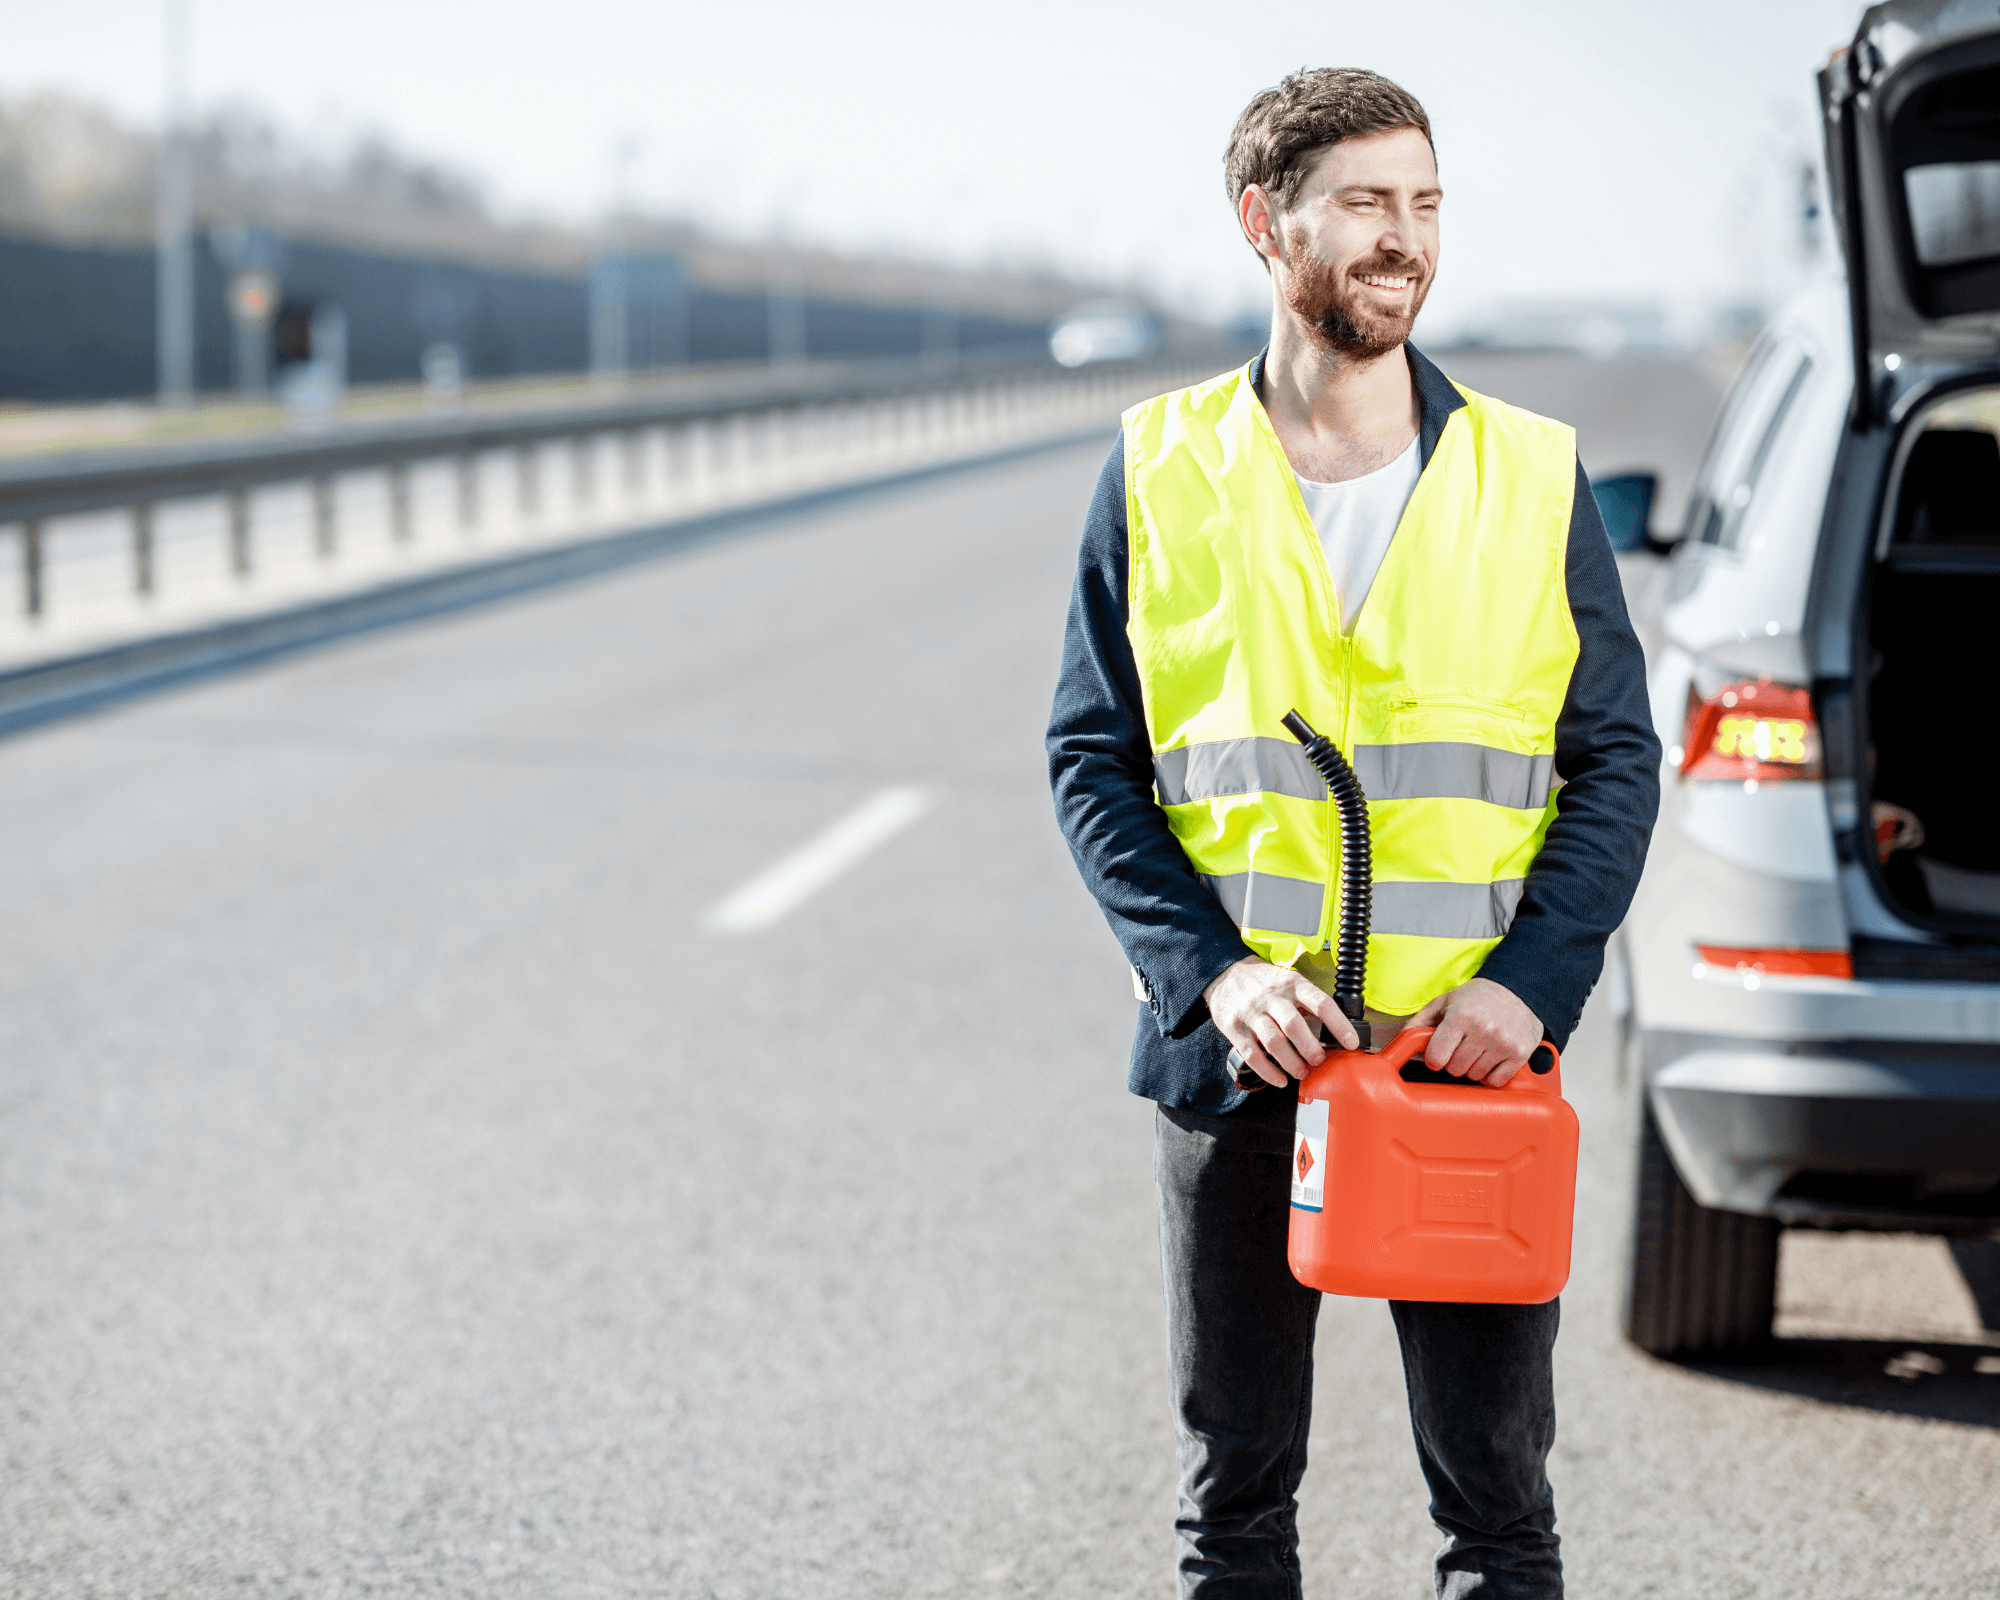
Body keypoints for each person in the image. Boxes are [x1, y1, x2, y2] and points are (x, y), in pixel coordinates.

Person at [1045, 67, 1661, 1598]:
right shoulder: (1158, 469)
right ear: (1267, 224)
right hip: (1241, 1070)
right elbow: (1090, 760)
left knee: (1499, 1507)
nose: (1406, 239)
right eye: (1369, 203)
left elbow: (1615, 762)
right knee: (1235, 1501)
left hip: (1464, 1071)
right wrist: (1208, 974)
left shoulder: (1532, 473)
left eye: (1428, 204)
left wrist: (1529, 988)